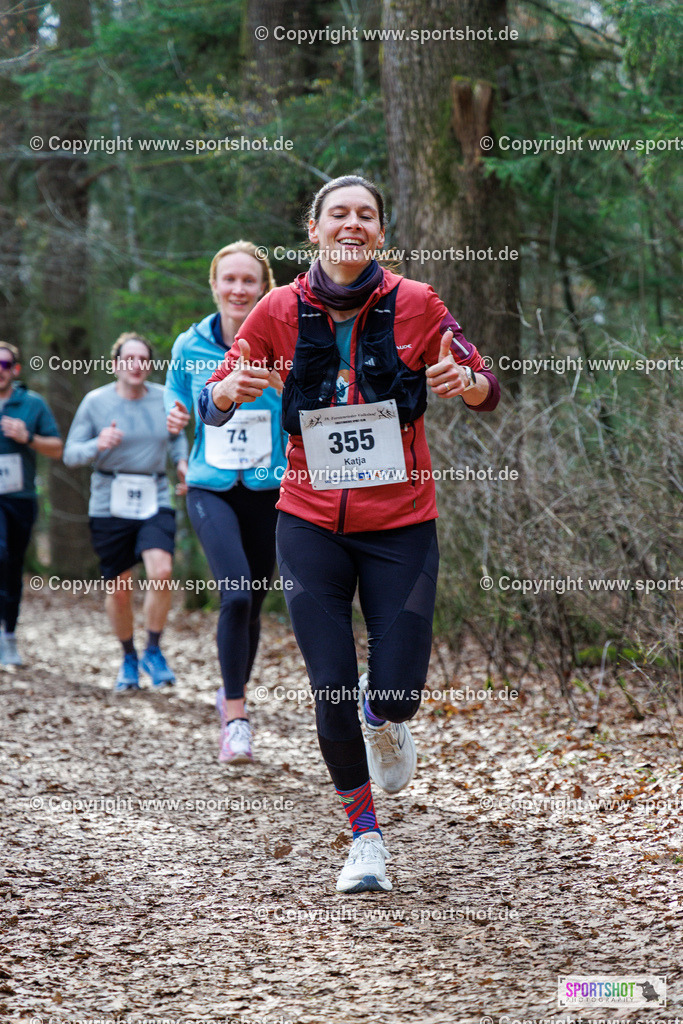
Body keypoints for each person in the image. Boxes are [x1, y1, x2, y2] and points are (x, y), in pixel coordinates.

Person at [198, 176, 501, 893]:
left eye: (365, 215)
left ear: (379, 232)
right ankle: (363, 838)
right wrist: (223, 393)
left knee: (394, 694)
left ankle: (384, 714)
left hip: (400, 525)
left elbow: (485, 383)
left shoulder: (417, 303)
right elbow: (216, 395)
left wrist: (469, 384)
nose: (351, 225)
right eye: (339, 214)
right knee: (328, 687)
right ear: (314, 229)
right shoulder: (276, 310)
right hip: (308, 522)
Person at [165, 241, 286, 764]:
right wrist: (176, 445)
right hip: (210, 485)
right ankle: (235, 715)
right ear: (214, 284)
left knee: (253, 600)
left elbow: (312, 406)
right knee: (235, 592)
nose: (239, 289)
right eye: (229, 279)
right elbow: (174, 409)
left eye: (249, 281)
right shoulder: (189, 346)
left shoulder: (286, 339)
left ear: (264, 287)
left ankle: (231, 692)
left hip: (272, 488)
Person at [63, 333, 188, 692]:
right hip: (109, 500)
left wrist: (181, 464)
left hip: (154, 494)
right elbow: (71, 454)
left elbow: (177, 437)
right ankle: (128, 656)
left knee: (161, 571)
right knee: (119, 588)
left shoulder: (165, 398)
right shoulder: (95, 402)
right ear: (116, 364)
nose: (136, 365)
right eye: (129, 359)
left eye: (143, 359)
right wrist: (96, 444)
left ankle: (153, 649)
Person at [0, 342, 63, 665]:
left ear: (15, 369)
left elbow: (56, 448)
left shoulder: (32, 404)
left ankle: (8, 635)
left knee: (11, 565)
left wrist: (27, 438)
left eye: (4, 364)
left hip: (20, 498)